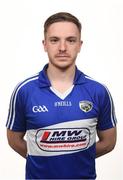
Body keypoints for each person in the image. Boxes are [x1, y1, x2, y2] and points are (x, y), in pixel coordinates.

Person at [6, 12, 117, 179]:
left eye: (71, 40)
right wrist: (43, 157)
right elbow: (14, 140)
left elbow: (108, 143)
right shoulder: (24, 91)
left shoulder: (98, 91)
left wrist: (75, 158)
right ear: (44, 44)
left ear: (80, 45)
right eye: (54, 40)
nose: (62, 48)